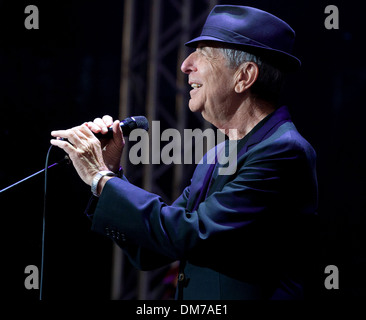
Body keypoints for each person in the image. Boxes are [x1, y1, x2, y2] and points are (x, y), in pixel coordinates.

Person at [51, 5, 318, 299]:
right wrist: (110, 173)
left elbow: (189, 233)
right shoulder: (220, 154)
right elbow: (153, 250)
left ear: (244, 76)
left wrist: (100, 178)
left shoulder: (282, 153)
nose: (185, 64)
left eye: (203, 52)